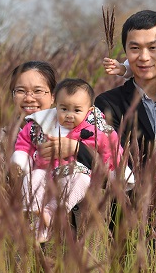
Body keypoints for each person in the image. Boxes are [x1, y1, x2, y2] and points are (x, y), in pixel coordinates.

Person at [9, 78, 126, 242]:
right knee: (32, 179)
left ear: (89, 110)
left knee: (80, 180)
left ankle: (53, 211)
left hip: (75, 173)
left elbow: (111, 151)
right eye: (64, 109)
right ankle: (35, 215)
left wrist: (112, 168)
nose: (69, 115)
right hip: (46, 173)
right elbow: (25, 142)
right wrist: (21, 159)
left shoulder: (94, 130)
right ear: (55, 105)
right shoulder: (40, 124)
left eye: (77, 110)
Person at [0, 61, 97, 187]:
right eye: (20, 91)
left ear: (54, 96)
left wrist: (78, 149)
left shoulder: (86, 131)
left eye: (38, 91)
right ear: (13, 96)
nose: (29, 98)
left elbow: (108, 178)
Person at [95, 10, 156, 169]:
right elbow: (114, 162)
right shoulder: (109, 105)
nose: (144, 57)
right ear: (126, 52)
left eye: (153, 48)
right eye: (135, 48)